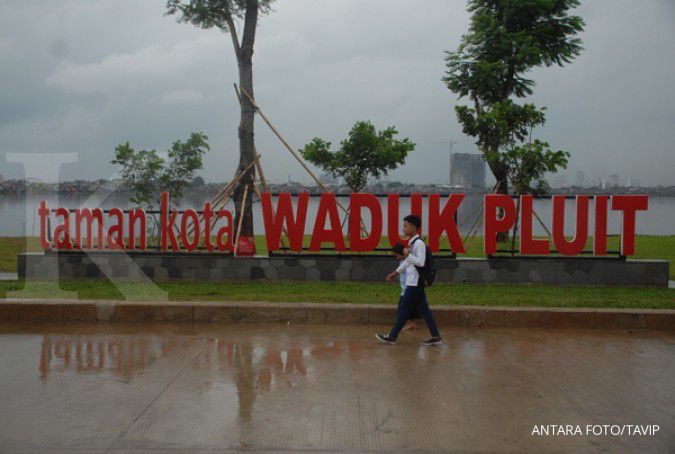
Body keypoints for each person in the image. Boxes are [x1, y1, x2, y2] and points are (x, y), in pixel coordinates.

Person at [376, 214, 442, 346]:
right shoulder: (412, 243)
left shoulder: (418, 244)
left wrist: (407, 254)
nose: (403, 229)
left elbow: (421, 263)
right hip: (413, 281)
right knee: (425, 310)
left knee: (404, 310)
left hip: (415, 282)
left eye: (405, 226)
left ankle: (392, 337)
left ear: (413, 227)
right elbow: (409, 262)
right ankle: (436, 336)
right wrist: (396, 272)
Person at [391, 242, 421, 332]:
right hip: (406, 289)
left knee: (401, 310)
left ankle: (410, 323)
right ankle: (411, 323)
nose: (396, 257)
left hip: (408, 289)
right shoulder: (402, 261)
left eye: (397, 255)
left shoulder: (409, 261)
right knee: (410, 308)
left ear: (402, 253)